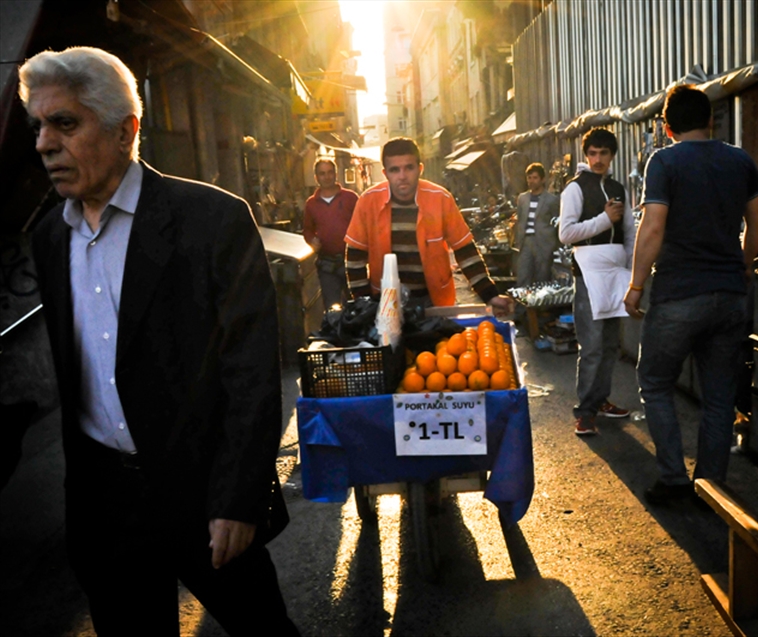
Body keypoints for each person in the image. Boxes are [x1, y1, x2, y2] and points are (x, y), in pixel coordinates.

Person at [22, 47, 299, 635]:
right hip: (107, 510)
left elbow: (249, 372)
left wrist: (237, 500)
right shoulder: (50, 236)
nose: (45, 143)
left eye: (65, 123)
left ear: (126, 131)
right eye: (39, 125)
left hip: (204, 498)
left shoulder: (212, 220)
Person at [623, 85, 758, 504]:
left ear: (667, 128)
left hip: (679, 296)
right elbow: (757, 226)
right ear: (709, 121)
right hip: (729, 297)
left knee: (654, 382)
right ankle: (711, 488)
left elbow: (652, 228)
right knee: (719, 399)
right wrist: (741, 264)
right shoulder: (740, 161)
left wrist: (635, 286)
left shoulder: (664, 161)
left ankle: (673, 480)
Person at [344, 137, 513, 316]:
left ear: (420, 169)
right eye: (395, 170)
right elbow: (355, 257)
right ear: (386, 174)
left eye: (409, 167)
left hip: (433, 302)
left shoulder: (440, 199)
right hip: (383, 303)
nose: (402, 176)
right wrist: (363, 304)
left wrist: (490, 295)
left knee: (441, 345)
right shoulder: (368, 201)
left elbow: (465, 250)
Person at [559, 128, 637, 436]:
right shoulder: (575, 189)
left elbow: (630, 230)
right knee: (591, 345)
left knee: (608, 345)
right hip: (589, 274)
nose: (598, 159)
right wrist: (604, 220)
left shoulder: (618, 187)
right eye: (593, 153)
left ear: (612, 155)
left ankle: (600, 399)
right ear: (585, 154)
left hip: (615, 272)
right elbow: (565, 234)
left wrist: (630, 268)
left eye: (604, 153)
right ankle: (585, 411)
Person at [302, 157, 359, 310]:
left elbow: (364, 224)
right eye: (322, 174)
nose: (326, 177)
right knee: (332, 308)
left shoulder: (351, 198)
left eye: (329, 173)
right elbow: (307, 229)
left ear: (336, 174)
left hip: (352, 262)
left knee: (357, 305)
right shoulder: (311, 204)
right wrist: (311, 240)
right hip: (327, 264)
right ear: (316, 177)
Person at [514, 162, 561, 287]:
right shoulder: (522, 198)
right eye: (529, 178)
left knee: (543, 277)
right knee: (523, 274)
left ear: (542, 179)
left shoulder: (552, 200)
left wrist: (555, 245)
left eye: (535, 178)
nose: (531, 181)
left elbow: (557, 222)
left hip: (544, 242)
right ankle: (523, 305)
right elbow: (520, 219)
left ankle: (541, 305)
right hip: (526, 242)